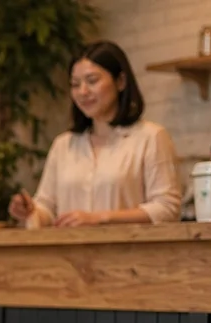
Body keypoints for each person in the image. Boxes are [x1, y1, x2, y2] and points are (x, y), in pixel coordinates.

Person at [10, 41, 181, 228]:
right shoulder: (63, 144)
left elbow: (167, 208)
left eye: (92, 81)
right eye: (75, 84)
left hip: (130, 254)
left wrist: (100, 218)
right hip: (69, 255)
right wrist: (30, 211)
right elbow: (47, 208)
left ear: (120, 81)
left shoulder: (151, 137)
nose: (82, 92)